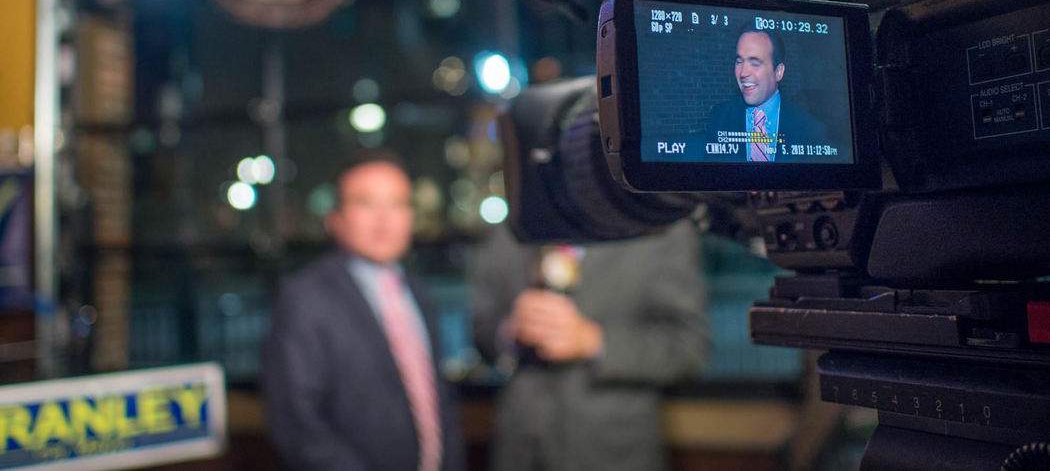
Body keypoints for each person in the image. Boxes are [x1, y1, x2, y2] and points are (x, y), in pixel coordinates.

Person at [263, 152, 465, 471]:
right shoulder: (304, 298)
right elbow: (298, 427)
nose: (383, 218)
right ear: (337, 218)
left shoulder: (417, 293)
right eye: (366, 203)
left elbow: (437, 401)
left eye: (398, 203)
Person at [472, 220, 708, 471]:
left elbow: (689, 348)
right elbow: (481, 332)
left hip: (614, 452)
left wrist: (593, 341)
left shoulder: (660, 226)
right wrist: (508, 333)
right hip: (519, 449)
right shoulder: (510, 225)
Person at [706, 27, 827, 162]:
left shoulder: (810, 129)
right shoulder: (719, 117)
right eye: (739, 61)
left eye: (755, 63)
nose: (743, 73)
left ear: (778, 72)